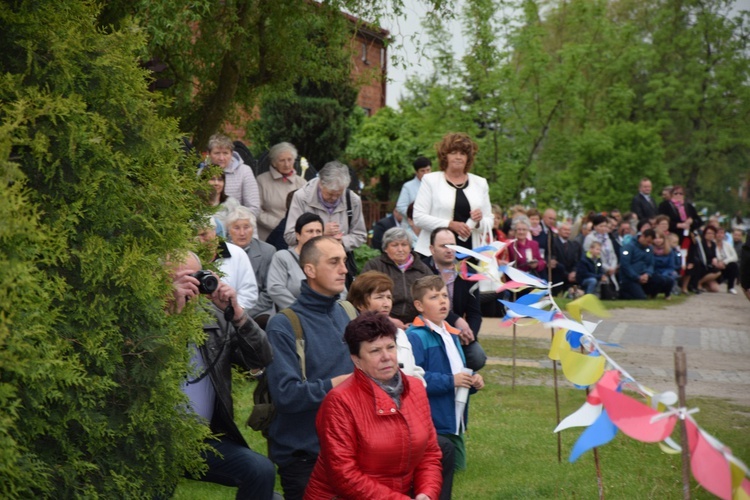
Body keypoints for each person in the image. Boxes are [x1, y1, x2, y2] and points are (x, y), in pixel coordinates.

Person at [170, 252, 276, 499]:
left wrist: (237, 313)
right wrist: (171, 316)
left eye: (196, 277)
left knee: (260, 470)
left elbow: (261, 358)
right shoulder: (146, 320)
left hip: (203, 440)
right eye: (184, 279)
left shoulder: (214, 317)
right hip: (156, 439)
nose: (192, 287)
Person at [304, 313, 443, 500]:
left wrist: (426, 493)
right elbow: (344, 475)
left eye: (391, 347)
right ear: (357, 360)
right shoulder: (339, 402)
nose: (386, 357)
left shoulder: (416, 388)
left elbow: (430, 454)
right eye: (375, 351)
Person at [346, 271, 456, 500]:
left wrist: (414, 386)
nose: (386, 302)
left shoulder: (399, 333)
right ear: (359, 302)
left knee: (440, 449)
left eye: (388, 296)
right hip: (376, 414)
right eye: (379, 296)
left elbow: (414, 371)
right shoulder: (353, 335)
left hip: (405, 405)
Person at [264, 236, 354, 499]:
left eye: (344, 261)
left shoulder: (348, 312)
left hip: (351, 450)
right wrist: (338, 384)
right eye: (334, 262)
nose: (344, 269)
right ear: (310, 270)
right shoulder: (283, 324)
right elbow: (286, 395)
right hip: (305, 456)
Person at [407, 275, 484, 473]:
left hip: (454, 416)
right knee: (436, 469)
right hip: (433, 420)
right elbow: (415, 379)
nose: (442, 301)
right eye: (433, 297)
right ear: (419, 305)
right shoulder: (415, 337)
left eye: (444, 296)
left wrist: (473, 378)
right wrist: (452, 381)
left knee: (459, 469)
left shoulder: (452, 334)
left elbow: (458, 368)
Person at [413, 133, 493, 256]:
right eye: (453, 153)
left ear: (468, 158)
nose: (458, 157)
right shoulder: (431, 180)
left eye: (463, 153)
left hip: (471, 253)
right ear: (445, 156)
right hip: (435, 253)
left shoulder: (480, 183)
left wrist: (478, 222)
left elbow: (489, 221)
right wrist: (450, 225)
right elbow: (418, 217)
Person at [424, 227, 487, 372]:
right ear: (432, 249)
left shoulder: (468, 272)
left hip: (458, 334)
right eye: (443, 246)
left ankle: (464, 388)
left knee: (477, 357)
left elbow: (475, 313)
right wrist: (456, 320)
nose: (449, 250)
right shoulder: (423, 269)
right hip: (429, 329)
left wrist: (469, 334)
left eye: (452, 245)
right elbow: (427, 307)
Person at [283, 161, 367, 254]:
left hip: (337, 258)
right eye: (330, 194)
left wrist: (342, 241)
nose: (334, 198)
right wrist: (320, 232)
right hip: (307, 258)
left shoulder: (353, 200)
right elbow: (290, 236)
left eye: (339, 194)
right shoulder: (302, 197)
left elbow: (360, 235)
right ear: (321, 184)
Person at [361, 227, 433, 327]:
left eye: (404, 245)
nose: (400, 249)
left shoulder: (422, 269)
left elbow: (433, 298)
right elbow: (362, 297)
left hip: (418, 324)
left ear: (410, 247)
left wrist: (419, 322)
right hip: (381, 322)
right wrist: (388, 320)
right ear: (385, 248)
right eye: (394, 245)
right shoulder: (374, 266)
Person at [225, 207, 276, 328]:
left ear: (253, 229)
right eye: (236, 228)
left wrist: (243, 312)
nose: (242, 233)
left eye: (246, 227)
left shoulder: (268, 251)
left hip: (258, 309)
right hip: (225, 307)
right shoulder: (221, 250)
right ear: (229, 230)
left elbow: (268, 292)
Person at [196, 218, 258, 311]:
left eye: (204, 234)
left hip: (229, 316)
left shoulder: (237, 253)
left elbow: (249, 293)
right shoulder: (184, 256)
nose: (199, 241)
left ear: (214, 232)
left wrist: (232, 311)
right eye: (193, 236)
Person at [267, 213, 324, 310]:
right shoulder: (283, 257)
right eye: (310, 231)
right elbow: (276, 289)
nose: (314, 235)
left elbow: (340, 290)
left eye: (318, 231)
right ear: (298, 235)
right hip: (292, 316)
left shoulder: (327, 259)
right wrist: (303, 310)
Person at [256, 142, 307, 241]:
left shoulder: (302, 183)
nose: (287, 164)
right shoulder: (262, 180)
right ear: (274, 162)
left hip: (294, 236)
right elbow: (256, 210)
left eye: (289, 159)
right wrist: (280, 224)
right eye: (282, 160)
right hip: (268, 235)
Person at [205, 133, 260, 216]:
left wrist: (230, 221)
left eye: (225, 153)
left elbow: (254, 208)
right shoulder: (202, 172)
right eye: (217, 153)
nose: (221, 158)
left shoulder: (244, 171)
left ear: (231, 153)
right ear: (209, 154)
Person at [618, 229, 674, 300]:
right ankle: (624, 293)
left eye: (651, 243)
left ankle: (651, 293)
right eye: (648, 242)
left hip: (644, 276)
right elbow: (625, 265)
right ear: (642, 236)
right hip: (630, 278)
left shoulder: (649, 248)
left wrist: (647, 274)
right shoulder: (628, 247)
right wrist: (637, 277)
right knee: (640, 298)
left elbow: (651, 264)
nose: (649, 244)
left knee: (663, 280)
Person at [198, 167, 239, 237]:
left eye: (220, 179)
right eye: (212, 179)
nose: (216, 183)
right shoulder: (196, 204)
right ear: (203, 181)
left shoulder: (232, 203)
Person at [583, 215, 618, 285]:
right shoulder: (590, 238)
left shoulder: (607, 238)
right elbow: (589, 256)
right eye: (601, 226)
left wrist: (613, 267)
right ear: (595, 226)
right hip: (597, 269)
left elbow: (613, 254)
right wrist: (606, 268)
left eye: (605, 226)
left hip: (611, 269)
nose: (603, 228)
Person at [550, 221, 582, 294]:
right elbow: (554, 260)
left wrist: (574, 272)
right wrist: (567, 274)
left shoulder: (573, 245)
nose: (567, 232)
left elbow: (576, 261)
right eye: (565, 230)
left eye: (568, 230)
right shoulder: (553, 242)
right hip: (557, 275)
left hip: (570, 276)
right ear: (559, 230)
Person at [688, 225, 722, 293]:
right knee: (718, 272)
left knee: (715, 289)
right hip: (704, 265)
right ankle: (699, 283)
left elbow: (714, 255)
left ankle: (703, 283)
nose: (711, 235)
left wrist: (715, 259)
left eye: (712, 233)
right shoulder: (701, 243)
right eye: (708, 233)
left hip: (711, 265)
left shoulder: (713, 244)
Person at [715, 227, 739, 294]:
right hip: (715, 266)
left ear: (724, 235)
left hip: (725, 265)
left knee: (733, 265)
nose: (719, 235)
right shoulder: (712, 244)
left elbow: (735, 257)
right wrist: (718, 262)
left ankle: (730, 287)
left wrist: (724, 262)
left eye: (721, 233)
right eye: (718, 233)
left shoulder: (727, 245)